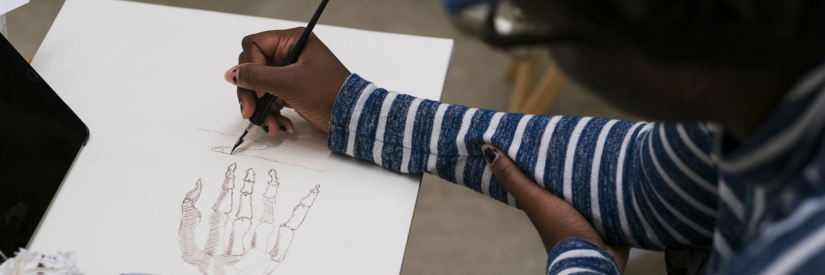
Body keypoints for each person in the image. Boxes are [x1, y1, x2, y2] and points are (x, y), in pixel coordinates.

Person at [222, 0, 825, 274]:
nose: (524, 32)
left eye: (531, 25)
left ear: (691, 64)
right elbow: (639, 184)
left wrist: (580, 261)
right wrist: (354, 107)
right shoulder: (758, 82)